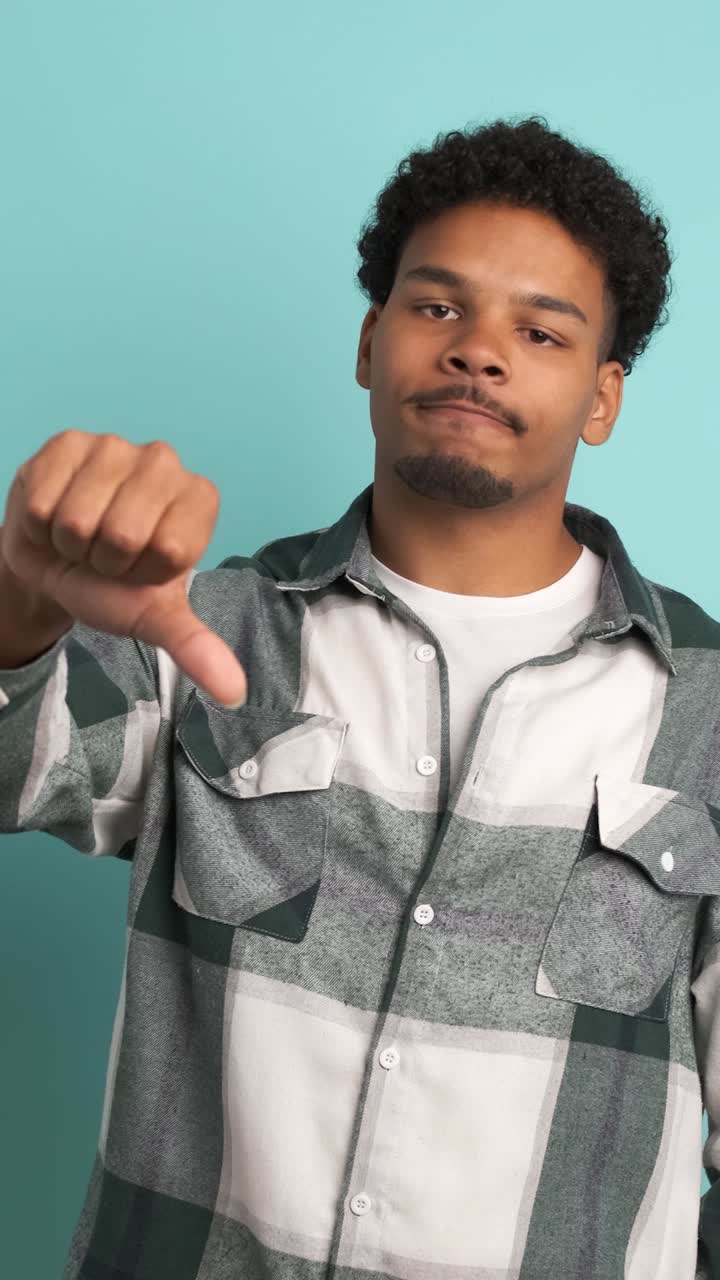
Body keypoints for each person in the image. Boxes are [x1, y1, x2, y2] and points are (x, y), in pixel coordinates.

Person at [0, 115, 714, 1280]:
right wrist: (18, 602)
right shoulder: (204, 628)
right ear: (372, 342)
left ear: (603, 397)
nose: (479, 352)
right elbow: (13, 767)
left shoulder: (708, 707)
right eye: (438, 307)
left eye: (539, 330)